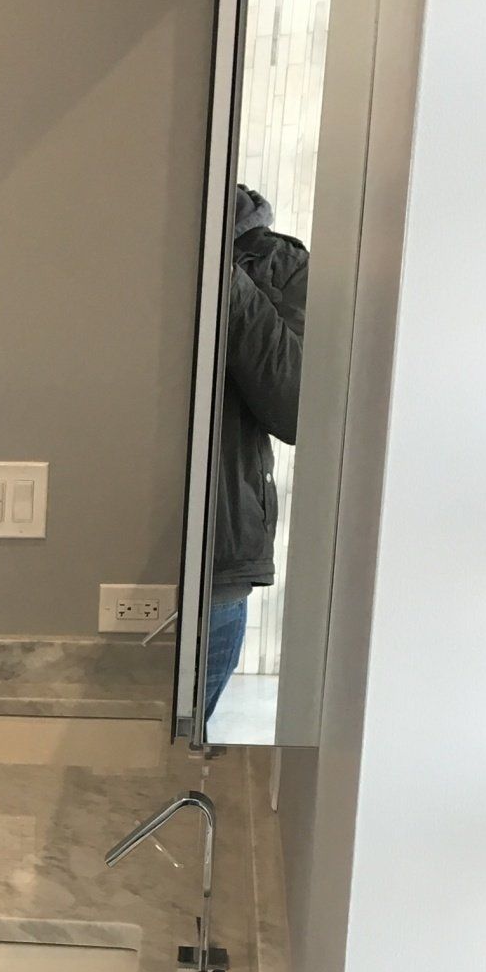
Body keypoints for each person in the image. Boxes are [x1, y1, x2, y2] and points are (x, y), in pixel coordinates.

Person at [208, 184, 307, 718]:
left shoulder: (282, 266)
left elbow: (299, 411)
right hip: (104, 538)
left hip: (218, 559)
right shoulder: (132, 243)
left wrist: (221, 276)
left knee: (177, 747)